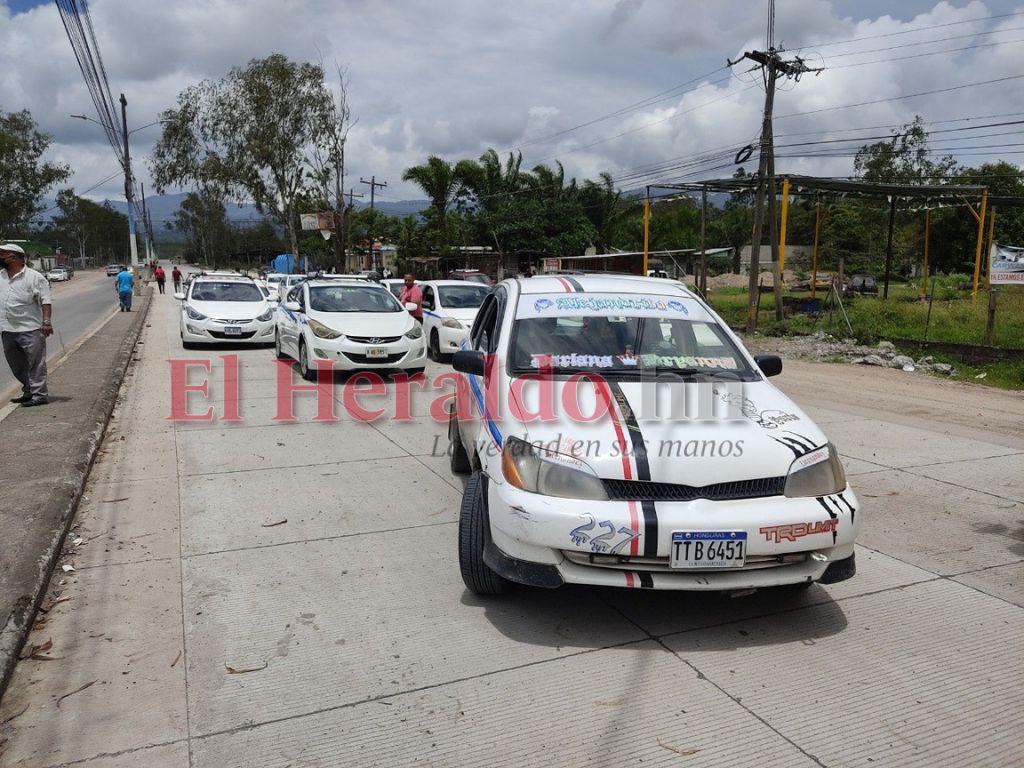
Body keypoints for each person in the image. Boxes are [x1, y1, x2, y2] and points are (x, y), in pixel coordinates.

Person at [0, 243, 52, 406]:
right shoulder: (1, 275)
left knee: (36, 364)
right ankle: (29, 390)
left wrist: (46, 322)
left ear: (13, 257)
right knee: (16, 364)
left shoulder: (35, 277)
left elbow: (46, 301)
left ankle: (39, 395)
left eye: (2, 254)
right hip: (7, 329)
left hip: (30, 329)